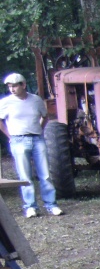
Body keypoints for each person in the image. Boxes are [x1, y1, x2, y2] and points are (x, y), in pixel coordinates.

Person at [0, 73, 62, 218]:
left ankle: (51, 204)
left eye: (15, 86)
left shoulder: (35, 100)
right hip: (18, 140)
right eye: (9, 86)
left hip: (36, 138)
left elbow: (45, 116)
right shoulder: (6, 102)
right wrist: (10, 136)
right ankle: (30, 206)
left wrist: (39, 129)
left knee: (45, 174)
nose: (12, 89)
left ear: (23, 85)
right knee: (25, 175)